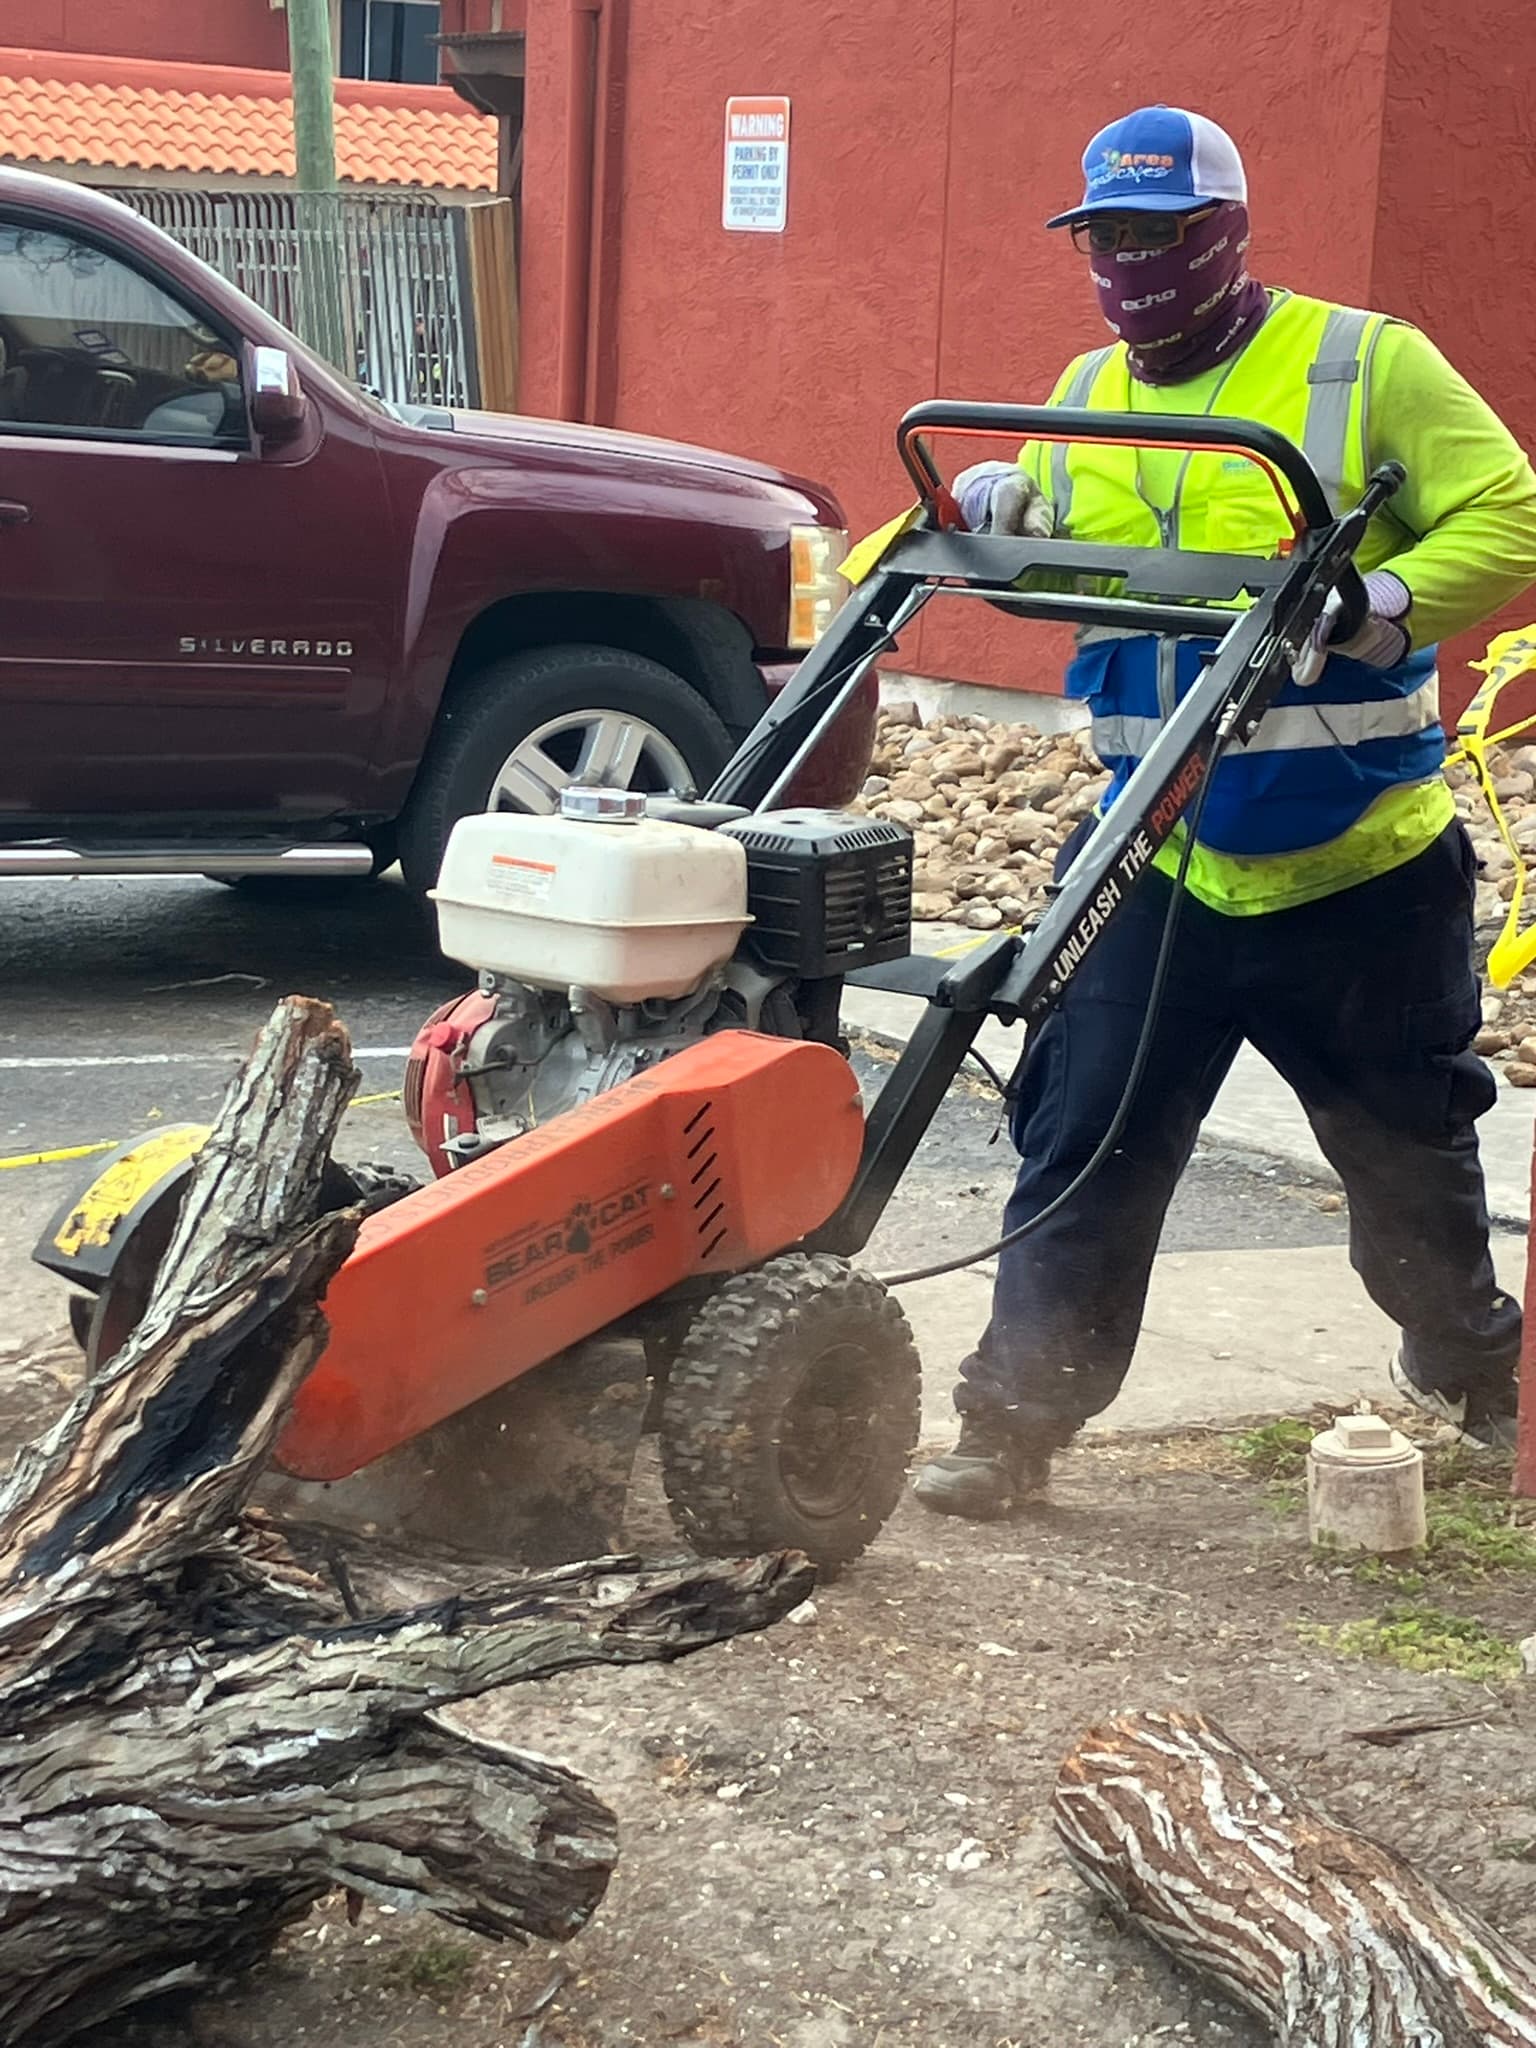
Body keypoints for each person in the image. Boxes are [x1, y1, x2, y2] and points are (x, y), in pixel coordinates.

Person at [913, 104, 1536, 1520]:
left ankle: (1477, 1381)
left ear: (1225, 232)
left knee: (1408, 1161)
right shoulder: (1082, 394)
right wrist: (998, 519)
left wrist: (1384, 601)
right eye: (1107, 240)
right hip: (1160, 858)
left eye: (1160, 236)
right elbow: (1065, 595)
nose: (1131, 266)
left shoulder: (1362, 361)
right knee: (1085, 1142)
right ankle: (1011, 1431)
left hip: (1359, 867)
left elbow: (1513, 511)